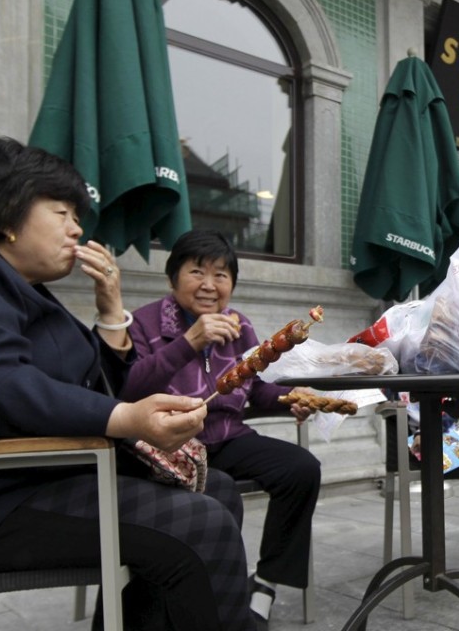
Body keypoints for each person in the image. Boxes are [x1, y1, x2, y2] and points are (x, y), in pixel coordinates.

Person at [0, 137, 258, 630]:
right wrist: (125, 419)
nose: (77, 228)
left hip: (45, 475)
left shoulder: (25, 290)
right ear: (5, 213)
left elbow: (99, 385)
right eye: (62, 212)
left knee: (219, 491)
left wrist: (108, 311)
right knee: (200, 525)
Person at [118, 229, 320, 630]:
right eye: (197, 272)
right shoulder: (142, 324)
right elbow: (129, 389)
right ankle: (212, 599)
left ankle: (265, 582)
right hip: (173, 448)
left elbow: (256, 387)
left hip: (228, 436)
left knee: (301, 469)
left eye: (222, 275)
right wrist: (190, 341)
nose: (209, 285)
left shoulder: (239, 326)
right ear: (173, 277)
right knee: (220, 495)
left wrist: (288, 397)